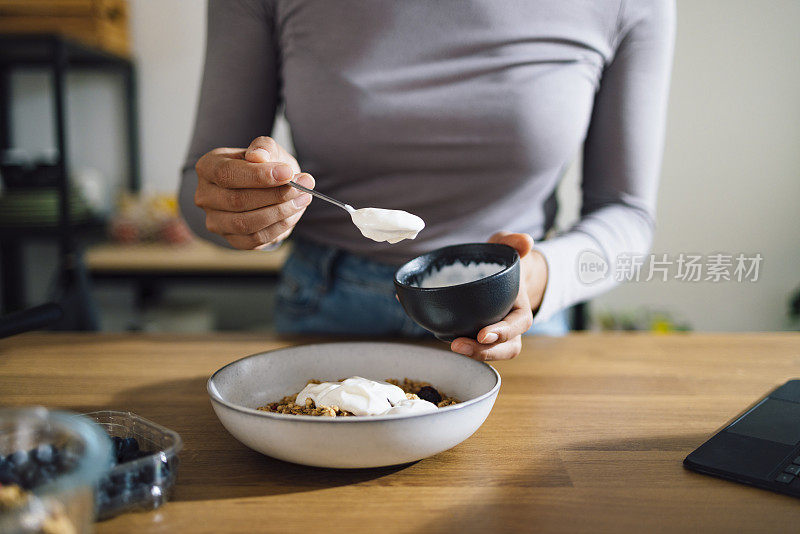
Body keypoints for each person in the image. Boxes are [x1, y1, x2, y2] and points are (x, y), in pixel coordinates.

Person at [179, 0, 675, 361]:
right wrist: (245, 202)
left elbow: (626, 216)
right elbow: (196, 192)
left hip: (511, 322)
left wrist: (538, 277)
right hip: (328, 312)